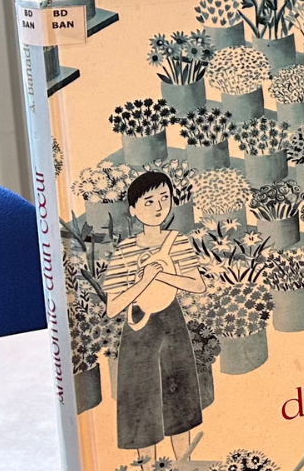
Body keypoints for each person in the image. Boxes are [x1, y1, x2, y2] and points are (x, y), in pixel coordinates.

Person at [101, 171, 207, 462]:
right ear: (133, 210)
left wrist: (164, 276)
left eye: (164, 198)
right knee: (140, 397)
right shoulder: (124, 251)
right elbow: (113, 307)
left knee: (179, 394)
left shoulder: (177, 241)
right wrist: (144, 280)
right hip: (139, 325)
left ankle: (184, 464)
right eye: (148, 201)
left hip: (172, 319)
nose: (158, 207)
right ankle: (148, 466)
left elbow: (198, 284)